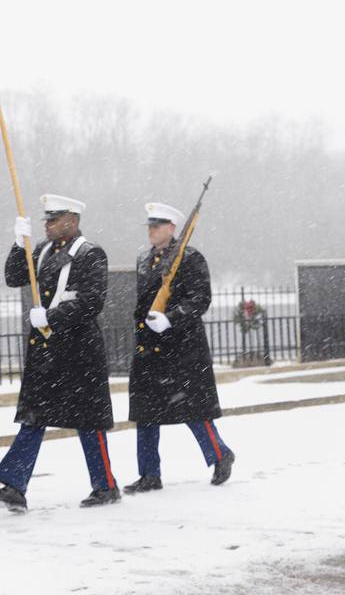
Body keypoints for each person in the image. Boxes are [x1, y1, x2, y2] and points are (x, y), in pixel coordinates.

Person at [0, 194, 119, 512]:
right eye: (46, 220)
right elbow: (14, 277)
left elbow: (92, 301)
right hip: (47, 350)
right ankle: (14, 486)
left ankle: (106, 485)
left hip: (78, 349)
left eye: (53, 220)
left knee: (89, 422)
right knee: (34, 418)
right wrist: (18, 245)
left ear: (72, 220)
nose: (47, 225)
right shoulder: (41, 250)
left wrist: (52, 316)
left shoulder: (89, 253)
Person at [125, 202, 235, 495]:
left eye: (157, 226)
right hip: (150, 347)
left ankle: (220, 454)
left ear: (172, 229)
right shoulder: (144, 259)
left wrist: (170, 319)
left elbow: (200, 299)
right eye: (149, 226)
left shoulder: (190, 257)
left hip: (181, 347)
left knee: (191, 409)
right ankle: (149, 474)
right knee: (146, 413)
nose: (151, 230)